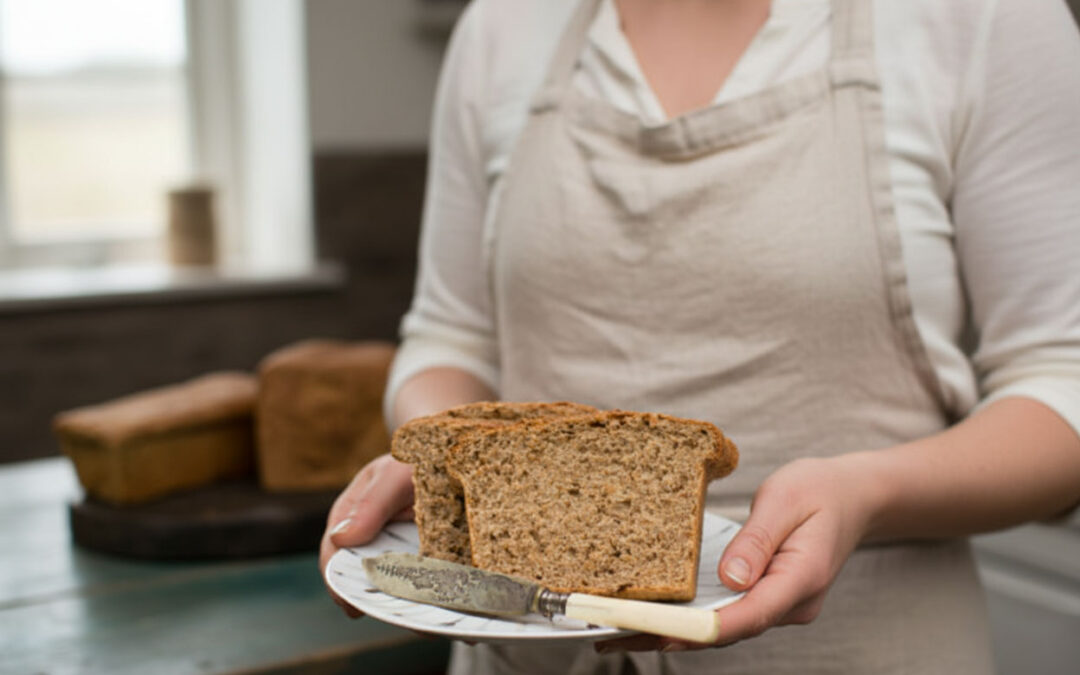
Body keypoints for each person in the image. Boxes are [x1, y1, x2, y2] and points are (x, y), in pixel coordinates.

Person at [321, 0, 1080, 672]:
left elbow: (1064, 381)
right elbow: (451, 336)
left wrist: (866, 493)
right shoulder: (503, 26)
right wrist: (440, 450)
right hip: (520, 640)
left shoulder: (984, 17)